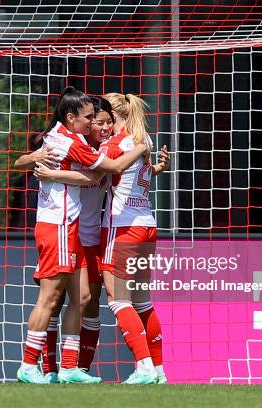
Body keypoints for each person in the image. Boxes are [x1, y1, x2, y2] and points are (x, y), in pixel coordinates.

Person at [15, 87, 149, 384]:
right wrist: (141, 147)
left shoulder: (78, 141)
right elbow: (109, 168)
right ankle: (31, 366)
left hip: (76, 232)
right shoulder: (71, 142)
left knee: (84, 297)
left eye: (100, 120)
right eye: (90, 118)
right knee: (51, 299)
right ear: (72, 116)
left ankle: (70, 367)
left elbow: (101, 174)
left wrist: (49, 171)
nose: (94, 124)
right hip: (58, 226)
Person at [98, 92, 169, 384]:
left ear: (113, 116)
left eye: (102, 117)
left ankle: (144, 366)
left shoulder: (114, 145)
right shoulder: (144, 140)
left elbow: (98, 174)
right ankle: (159, 369)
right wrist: (157, 169)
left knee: (118, 299)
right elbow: (142, 173)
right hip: (148, 226)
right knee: (142, 301)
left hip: (122, 226)